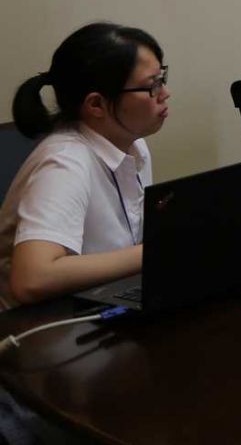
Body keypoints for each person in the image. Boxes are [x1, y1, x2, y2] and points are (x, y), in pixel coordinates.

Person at [0, 23, 167, 308]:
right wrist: (153, 252)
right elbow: (31, 279)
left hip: (95, 300)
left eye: (162, 78)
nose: (165, 93)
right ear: (96, 105)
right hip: (40, 323)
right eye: (152, 85)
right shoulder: (65, 163)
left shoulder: (133, 144)